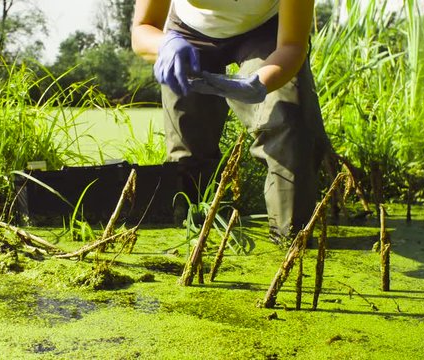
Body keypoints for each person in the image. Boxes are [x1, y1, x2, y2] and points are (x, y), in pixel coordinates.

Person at [131, 0, 330, 245]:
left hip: (266, 30)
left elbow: (292, 45)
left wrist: (259, 84)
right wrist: (165, 44)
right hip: (187, 35)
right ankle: (193, 235)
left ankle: (292, 240)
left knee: (287, 124)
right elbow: (143, 28)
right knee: (188, 155)